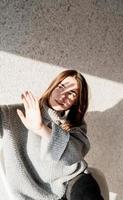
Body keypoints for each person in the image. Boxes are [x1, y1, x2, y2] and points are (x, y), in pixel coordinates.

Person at [0, 69, 104, 200]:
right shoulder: (14, 114)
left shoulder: (75, 124)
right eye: (61, 87)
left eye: (72, 93)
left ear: (77, 101)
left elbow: (74, 155)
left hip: (71, 181)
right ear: (52, 87)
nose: (63, 95)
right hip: (34, 194)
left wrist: (41, 129)